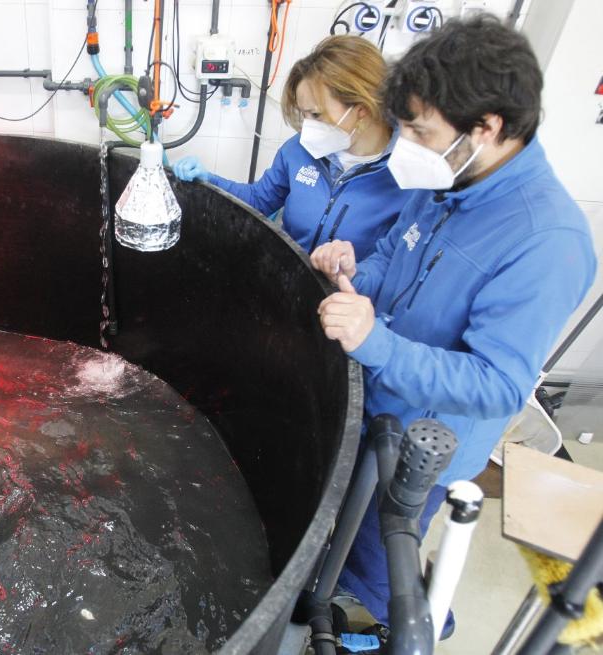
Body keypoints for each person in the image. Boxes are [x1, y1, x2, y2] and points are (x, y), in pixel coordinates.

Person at [310, 15, 597, 634]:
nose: (405, 143)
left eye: (419, 129)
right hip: (372, 397)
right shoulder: (448, 176)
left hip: (423, 446)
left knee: (381, 552)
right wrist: (360, 271)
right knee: (346, 533)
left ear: (486, 128)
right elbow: (395, 251)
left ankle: (410, 628)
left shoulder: (548, 242)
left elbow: (498, 384)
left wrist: (374, 341)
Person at [172, 35, 408, 260]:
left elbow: (392, 265)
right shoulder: (300, 150)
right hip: (289, 280)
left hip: (349, 296)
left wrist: (350, 276)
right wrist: (208, 180)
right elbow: (257, 202)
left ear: (362, 108)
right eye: (304, 115)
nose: (308, 129)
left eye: (316, 114)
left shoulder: (406, 176)